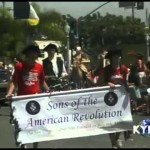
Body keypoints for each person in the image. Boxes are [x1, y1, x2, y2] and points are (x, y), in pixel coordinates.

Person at [5, 44, 50, 148]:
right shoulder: (20, 66)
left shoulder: (39, 67)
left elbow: (42, 82)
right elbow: (14, 81)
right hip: (22, 101)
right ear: (27, 54)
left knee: (36, 126)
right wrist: (9, 93)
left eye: (35, 52)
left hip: (35, 100)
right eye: (31, 52)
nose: (33, 54)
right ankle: (23, 145)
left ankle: (35, 146)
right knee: (22, 125)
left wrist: (49, 91)